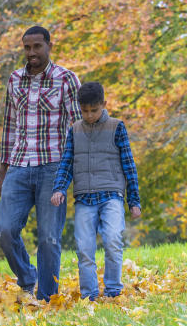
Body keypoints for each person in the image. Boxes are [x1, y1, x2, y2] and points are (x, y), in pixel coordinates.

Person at [0, 25, 80, 301]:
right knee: (6, 231)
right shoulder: (15, 79)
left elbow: (78, 128)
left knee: (48, 238)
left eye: (37, 47)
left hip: (53, 167)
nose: (31, 53)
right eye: (27, 47)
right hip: (19, 166)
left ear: (49, 46)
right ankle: (27, 278)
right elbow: (9, 127)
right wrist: (3, 171)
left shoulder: (66, 79)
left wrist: (74, 173)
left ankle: (47, 298)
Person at [51, 82, 141, 301]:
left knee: (112, 240)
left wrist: (134, 200)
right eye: (84, 111)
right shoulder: (75, 130)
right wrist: (59, 188)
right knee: (84, 248)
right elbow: (67, 162)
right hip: (84, 198)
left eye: (94, 110)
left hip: (111, 195)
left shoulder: (116, 126)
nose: (89, 115)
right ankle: (89, 295)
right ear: (79, 108)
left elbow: (128, 164)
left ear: (104, 104)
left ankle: (113, 291)